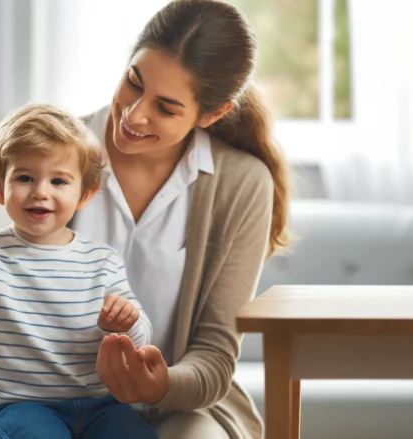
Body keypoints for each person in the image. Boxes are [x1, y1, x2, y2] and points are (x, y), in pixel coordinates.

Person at [68, 0, 293, 438]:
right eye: (133, 82)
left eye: (166, 108)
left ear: (212, 114)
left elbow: (214, 356)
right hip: (52, 399)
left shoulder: (241, 184)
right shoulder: (52, 147)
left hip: (182, 410)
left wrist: (162, 384)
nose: (134, 115)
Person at [0, 103, 160, 439]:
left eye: (59, 180)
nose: (40, 191)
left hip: (101, 405)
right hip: (16, 407)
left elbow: (141, 337)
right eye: (25, 177)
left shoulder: (103, 260)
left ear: (84, 194)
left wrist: (126, 323)